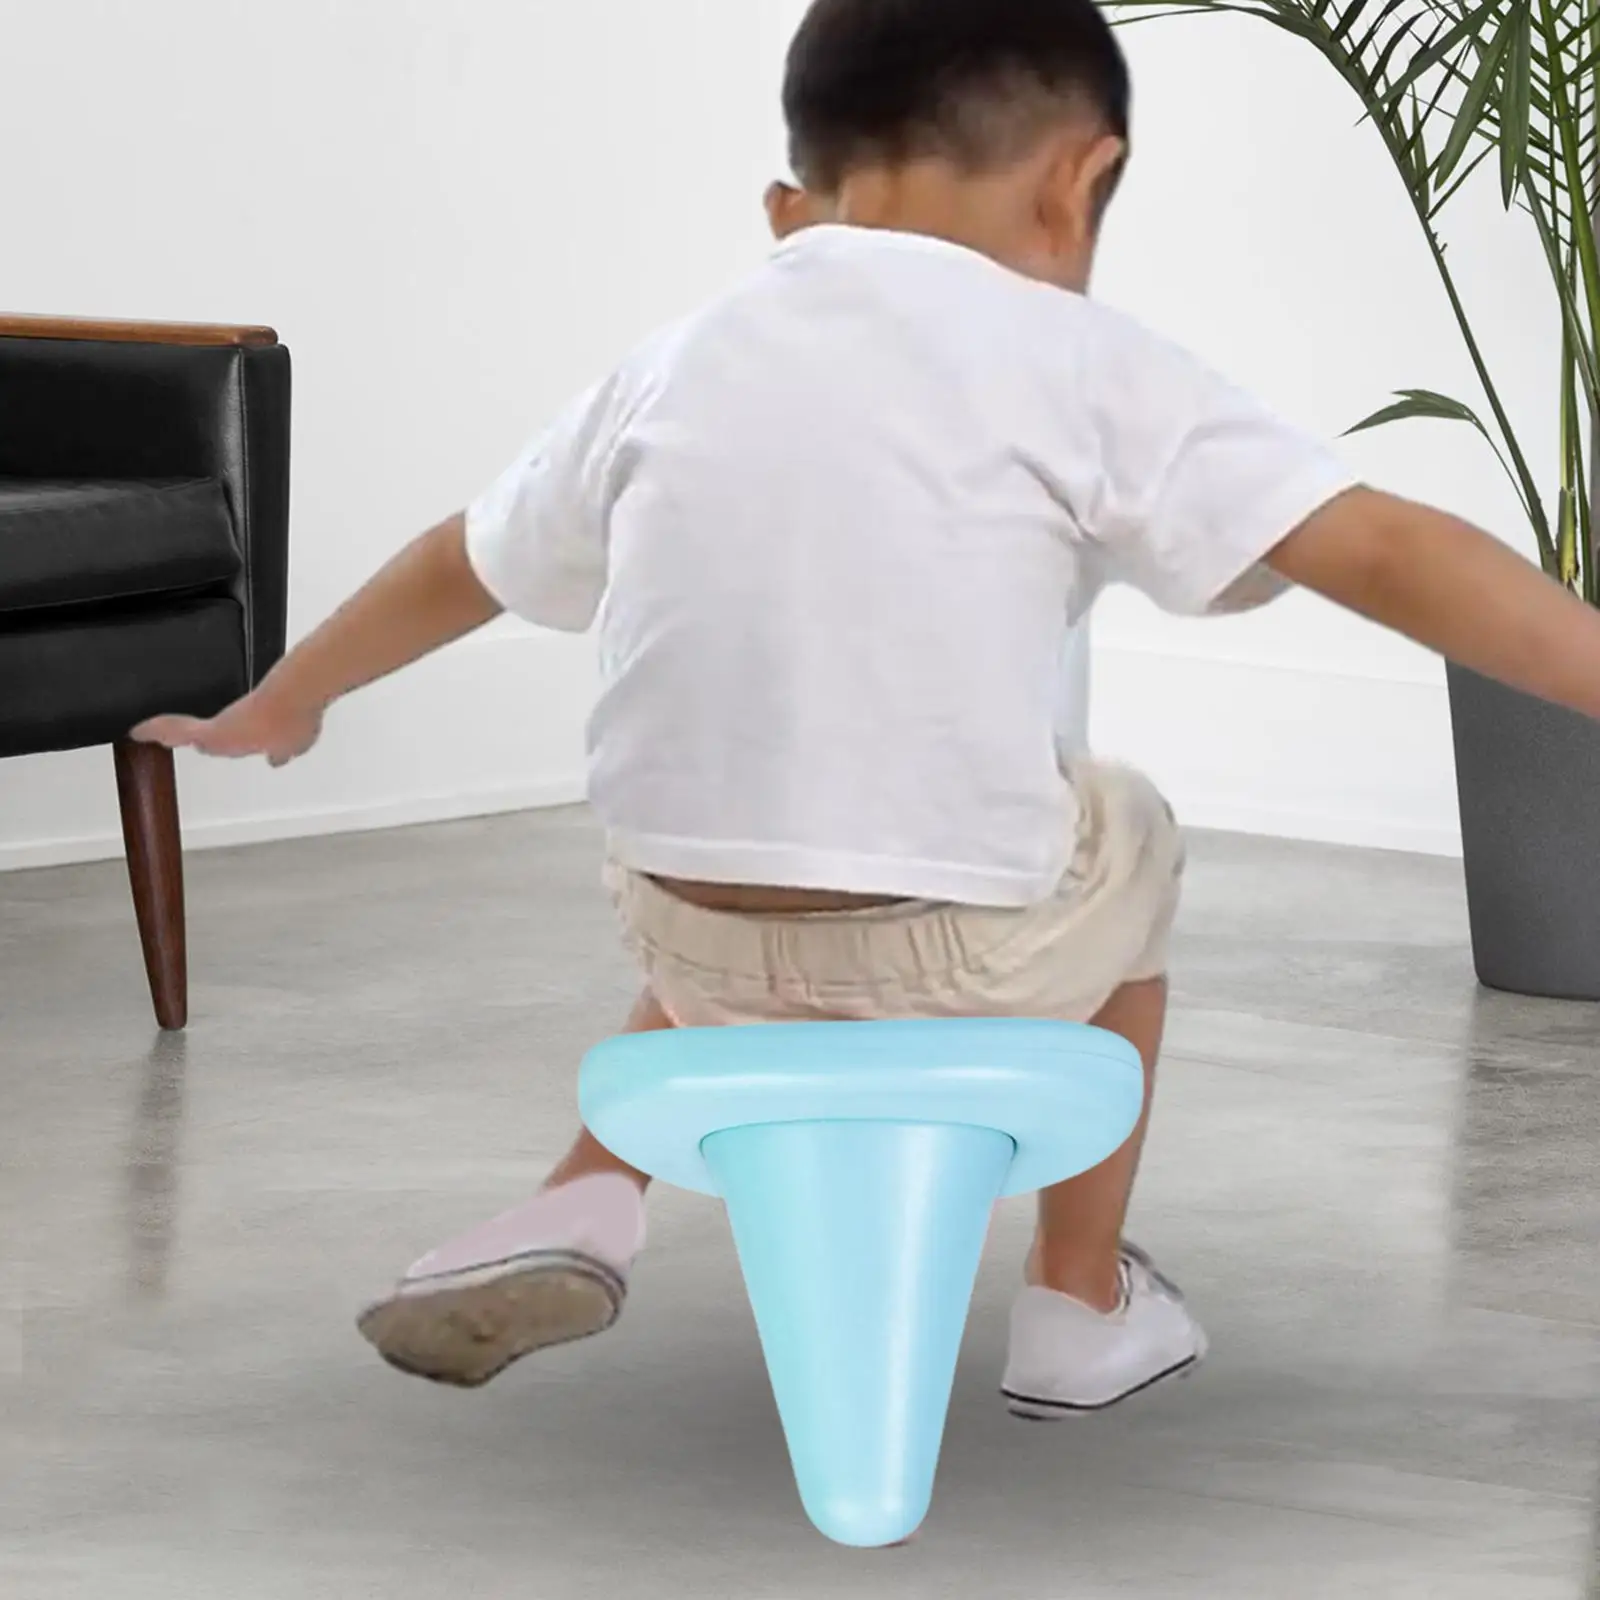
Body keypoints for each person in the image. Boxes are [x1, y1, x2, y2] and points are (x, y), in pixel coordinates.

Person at [136, 0, 1600, 1418]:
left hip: (681, 927)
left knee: (766, 809)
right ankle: (1081, 1298)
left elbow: (464, 559)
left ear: (795, 208)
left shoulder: (678, 356)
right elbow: (1380, 549)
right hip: (957, 950)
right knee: (1132, 829)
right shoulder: (1072, 355)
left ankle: (582, 1193)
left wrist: (287, 700)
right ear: (1077, 182)